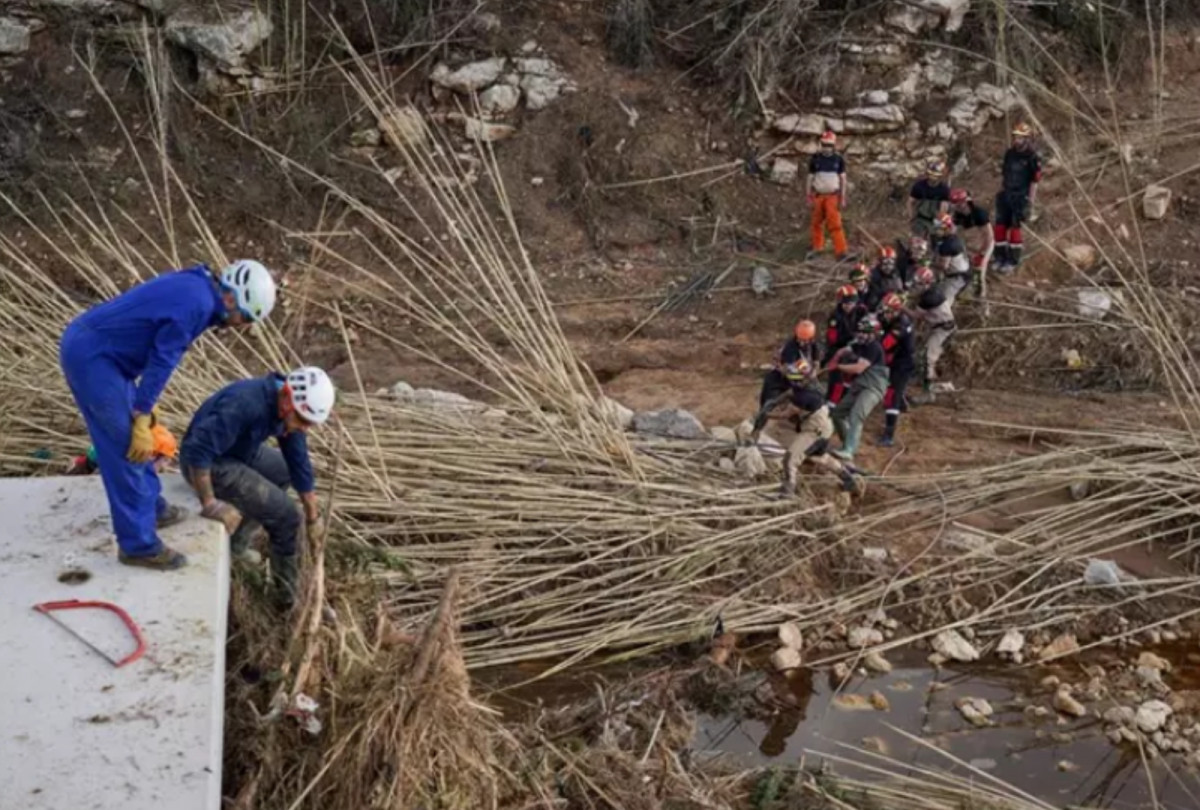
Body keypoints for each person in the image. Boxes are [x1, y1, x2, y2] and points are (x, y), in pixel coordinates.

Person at [59, 259, 278, 571]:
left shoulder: (199, 287)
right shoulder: (197, 305)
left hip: (105, 355)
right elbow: (163, 359)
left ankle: (152, 508)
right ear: (231, 299)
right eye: (242, 317)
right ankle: (138, 546)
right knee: (126, 447)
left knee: (138, 441)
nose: (238, 325)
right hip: (94, 357)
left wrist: (144, 407)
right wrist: (142, 411)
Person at [180, 367, 336, 607]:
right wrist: (210, 503)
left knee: (283, 473)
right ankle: (287, 600)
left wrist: (313, 518)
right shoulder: (244, 403)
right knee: (286, 517)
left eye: (310, 424)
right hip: (211, 464)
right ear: (287, 398)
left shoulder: (288, 409)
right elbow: (198, 451)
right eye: (304, 421)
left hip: (240, 451)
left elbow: (298, 462)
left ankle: (237, 546)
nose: (305, 428)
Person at [751, 358, 863, 498]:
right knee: (818, 456)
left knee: (791, 458)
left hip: (814, 430)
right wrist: (775, 401)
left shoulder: (805, 396)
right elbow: (789, 393)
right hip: (822, 426)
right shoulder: (809, 388)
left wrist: (766, 414)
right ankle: (848, 479)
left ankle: (788, 489)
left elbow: (786, 414)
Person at [828, 314, 890, 461]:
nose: (861, 335)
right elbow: (842, 351)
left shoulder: (874, 348)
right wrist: (835, 358)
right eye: (860, 331)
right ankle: (847, 443)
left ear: (873, 334)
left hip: (873, 387)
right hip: (860, 384)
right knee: (837, 414)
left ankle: (849, 450)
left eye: (865, 332)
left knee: (857, 414)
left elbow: (858, 368)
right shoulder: (858, 344)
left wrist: (838, 366)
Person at [993, 122, 1043, 274]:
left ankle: (1012, 260)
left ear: (1027, 139)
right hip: (1006, 193)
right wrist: (1001, 192)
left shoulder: (1032, 157)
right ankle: (999, 257)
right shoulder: (1010, 153)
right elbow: (1005, 174)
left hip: (1021, 196)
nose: (1017, 140)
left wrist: (1030, 203)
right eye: (1015, 137)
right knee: (1000, 227)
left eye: (1020, 138)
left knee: (1015, 229)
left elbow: (1034, 182)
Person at [878, 293, 917, 447]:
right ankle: (902, 403)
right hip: (895, 361)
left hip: (902, 365)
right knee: (894, 391)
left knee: (891, 396)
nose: (885, 314)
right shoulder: (893, 319)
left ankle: (889, 434)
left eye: (888, 311)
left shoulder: (900, 326)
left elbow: (884, 346)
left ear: (896, 311)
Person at [910, 266, 956, 389]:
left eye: (919, 284)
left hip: (943, 329)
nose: (917, 286)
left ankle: (929, 384)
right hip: (938, 326)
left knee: (929, 356)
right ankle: (923, 377)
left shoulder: (929, 297)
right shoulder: (933, 290)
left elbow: (916, 315)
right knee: (922, 351)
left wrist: (900, 307)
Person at [806, 130, 850, 260]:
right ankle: (817, 248)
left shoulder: (838, 160)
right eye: (824, 144)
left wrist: (842, 198)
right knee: (816, 223)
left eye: (829, 145)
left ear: (833, 145)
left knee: (835, 224)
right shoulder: (815, 159)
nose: (826, 148)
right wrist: (808, 196)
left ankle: (841, 252)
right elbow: (810, 178)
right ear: (821, 144)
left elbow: (843, 179)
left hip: (833, 196)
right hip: (818, 196)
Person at [758, 319, 820, 408]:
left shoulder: (813, 345)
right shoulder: (790, 348)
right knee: (769, 400)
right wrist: (803, 376)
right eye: (801, 340)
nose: (803, 342)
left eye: (806, 340)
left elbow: (816, 360)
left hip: (801, 377)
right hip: (783, 376)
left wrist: (814, 371)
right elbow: (788, 369)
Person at [823, 284, 864, 405]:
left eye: (851, 303)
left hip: (855, 349)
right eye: (846, 303)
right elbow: (832, 339)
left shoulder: (861, 311)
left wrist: (862, 335)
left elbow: (869, 326)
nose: (849, 306)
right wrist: (851, 337)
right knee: (836, 379)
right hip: (837, 350)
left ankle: (846, 400)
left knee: (852, 378)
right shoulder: (835, 317)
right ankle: (831, 403)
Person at [950, 188, 994, 297]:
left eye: (960, 203)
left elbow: (989, 236)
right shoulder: (958, 215)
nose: (958, 206)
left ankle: (980, 295)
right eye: (955, 204)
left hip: (984, 243)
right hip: (970, 244)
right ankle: (966, 290)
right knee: (967, 268)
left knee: (979, 271)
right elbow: (954, 229)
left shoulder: (979, 213)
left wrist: (982, 253)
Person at [930, 213, 971, 305]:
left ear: (946, 228)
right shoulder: (954, 238)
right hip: (962, 272)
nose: (936, 231)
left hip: (957, 277)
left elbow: (943, 266)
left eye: (938, 229)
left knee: (944, 303)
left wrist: (929, 263)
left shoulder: (947, 244)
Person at [907, 159, 951, 237]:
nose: (932, 178)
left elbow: (944, 207)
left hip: (936, 219)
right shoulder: (919, 186)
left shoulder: (944, 189)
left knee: (938, 238)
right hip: (920, 218)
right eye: (931, 175)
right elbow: (910, 202)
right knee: (917, 238)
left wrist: (941, 223)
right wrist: (911, 216)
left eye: (935, 176)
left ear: (940, 176)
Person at [866, 246, 905, 311]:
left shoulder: (896, 274)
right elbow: (871, 298)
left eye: (891, 263)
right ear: (879, 263)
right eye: (885, 263)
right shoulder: (873, 275)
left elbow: (899, 290)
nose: (888, 267)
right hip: (877, 307)